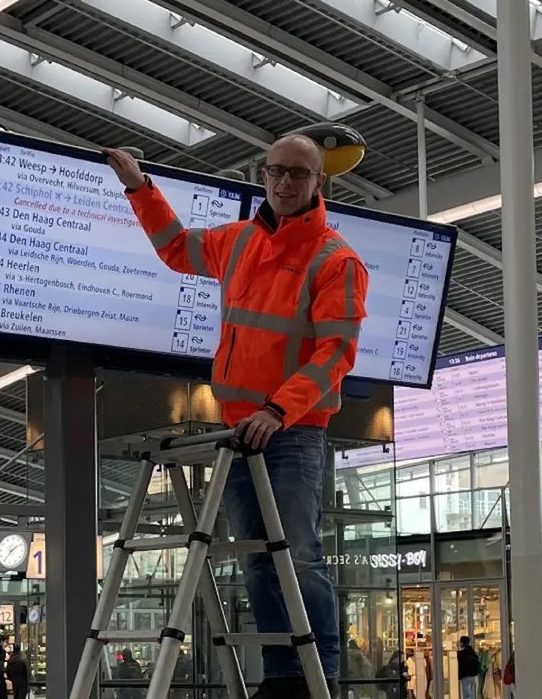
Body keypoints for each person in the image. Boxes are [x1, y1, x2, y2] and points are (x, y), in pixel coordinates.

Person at [105, 136, 367, 699]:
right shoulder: (239, 241)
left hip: (292, 431)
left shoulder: (335, 259)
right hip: (238, 430)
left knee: (296, 553)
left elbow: (336, 354)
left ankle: (322, 675)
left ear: (319, 182)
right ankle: (281, 674)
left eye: (298, 173)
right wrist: (139, 189)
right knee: (256, 558)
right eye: (276, 171)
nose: (284, 182)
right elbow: (175, 248)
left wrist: (279, 409)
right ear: (263, 174)